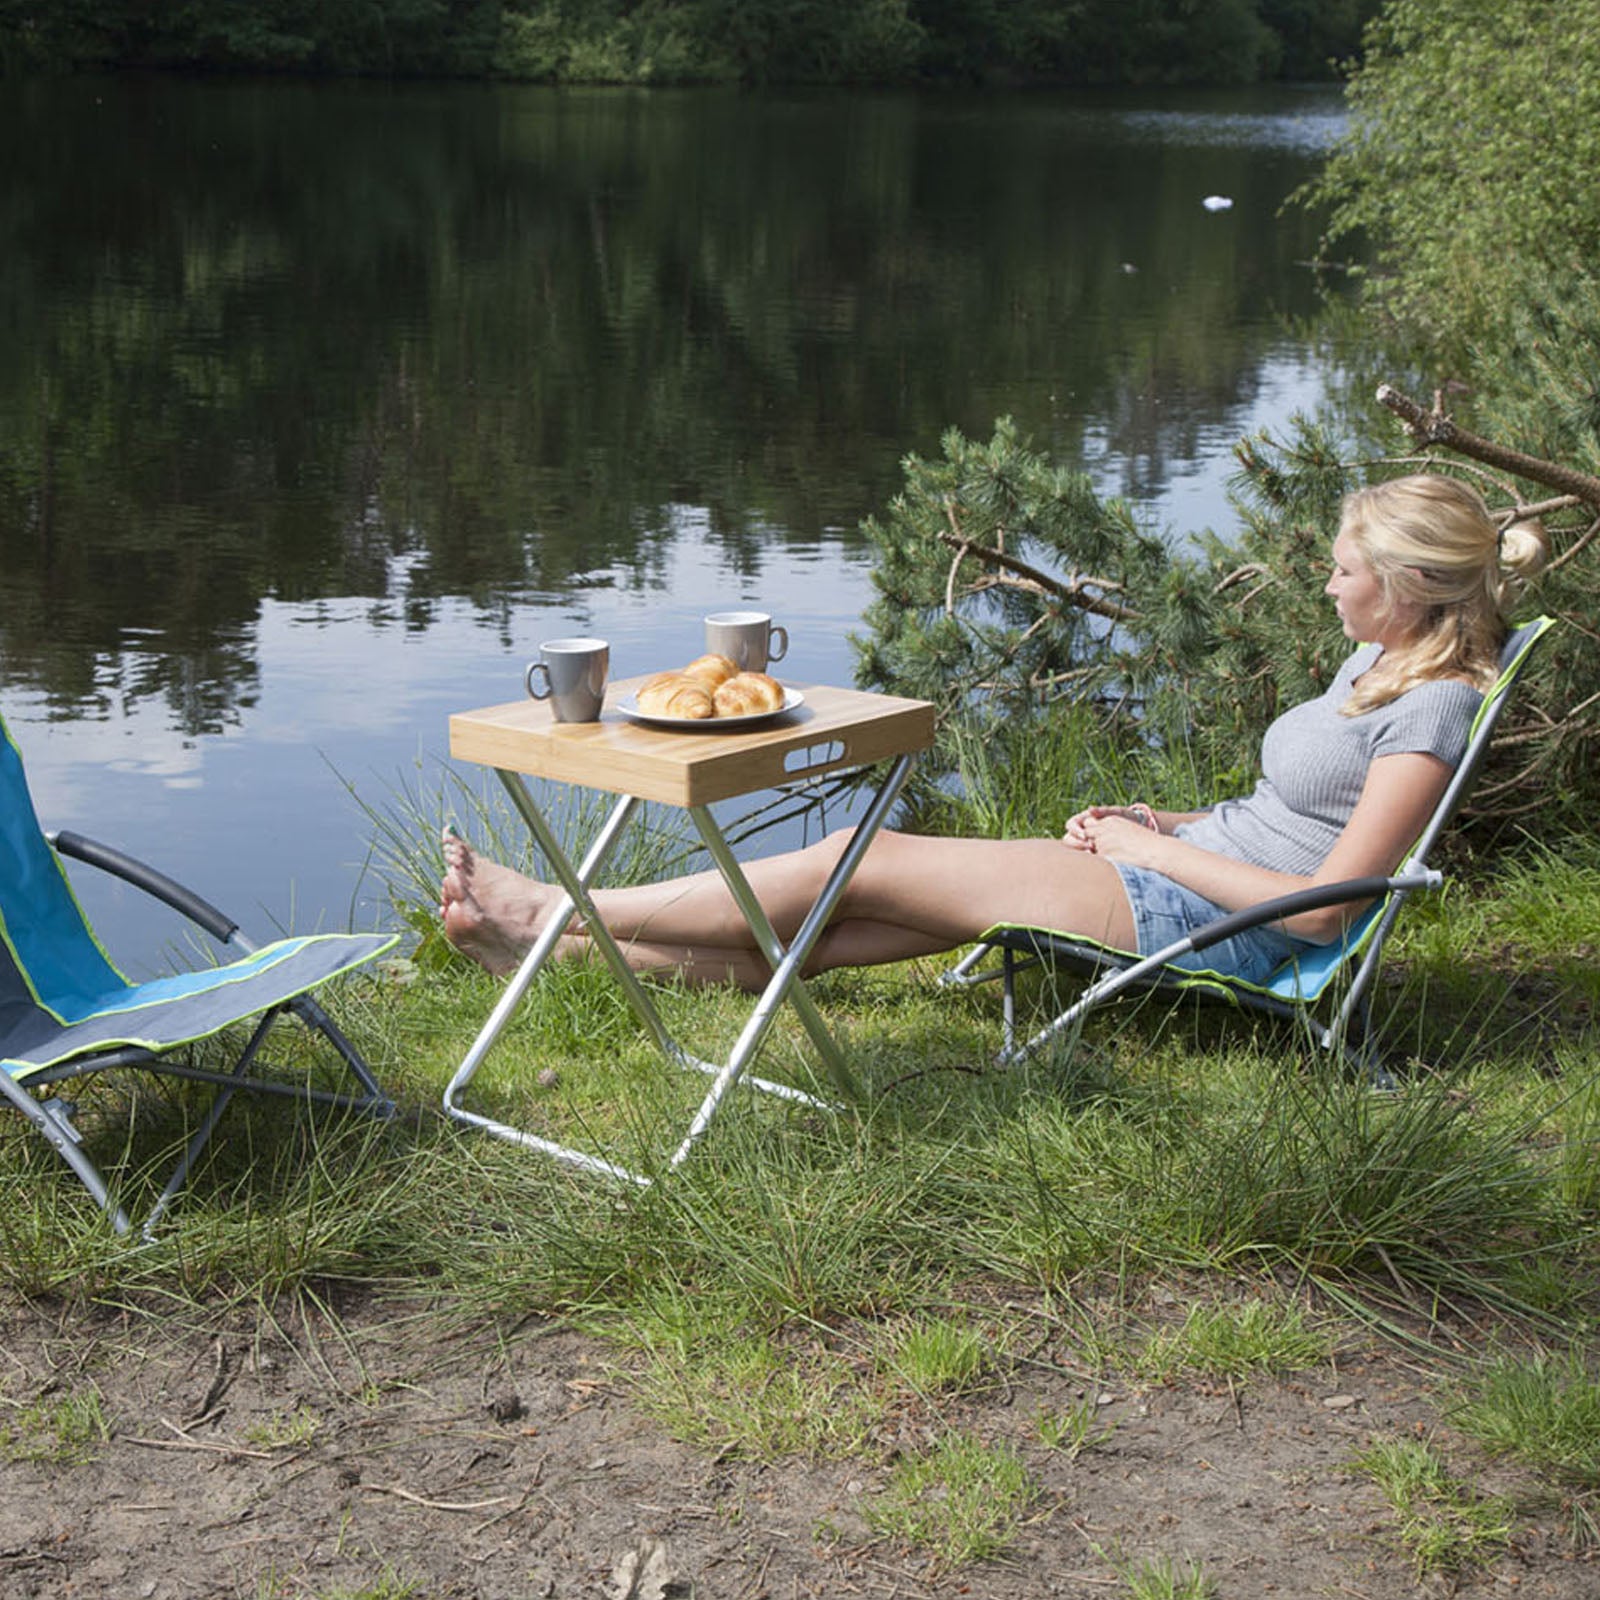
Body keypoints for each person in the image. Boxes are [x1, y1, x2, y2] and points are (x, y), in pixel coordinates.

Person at [441, 475, 1547, 989]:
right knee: (844, 921)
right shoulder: (1380, 661)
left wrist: (1149, 851)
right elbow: (1287, 819)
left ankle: (554, 908)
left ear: (1407, 585)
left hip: (1221, 925)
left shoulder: (1431, 705)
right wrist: (1168, 820)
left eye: (1344, 570)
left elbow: (1325, 910)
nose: (1326, 583)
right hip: (1187, 872)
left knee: (858, 856)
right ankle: (552, 953)